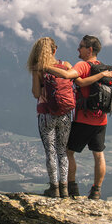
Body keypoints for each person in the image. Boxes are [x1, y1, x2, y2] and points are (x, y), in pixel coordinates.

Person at [44, 35, 112, 199]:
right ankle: (96, 191)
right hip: (102, 119)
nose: (78, 49)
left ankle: (72, 187)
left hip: (84, 119)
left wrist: (46, 67)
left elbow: (70, 77)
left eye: (81, 46)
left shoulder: (83, 65)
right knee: (99, 154)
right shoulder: (102, 67)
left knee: (68, 152)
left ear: (89, 49)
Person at [27, 37, 74, 197]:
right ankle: (65, 188)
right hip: (65, 114)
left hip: (46, 114)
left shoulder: (39, 69)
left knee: (50, 152)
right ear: (55, 50)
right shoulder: (66, 65)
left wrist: (35, 73)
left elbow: (36, 93)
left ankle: (54, 187)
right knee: (62, 151)